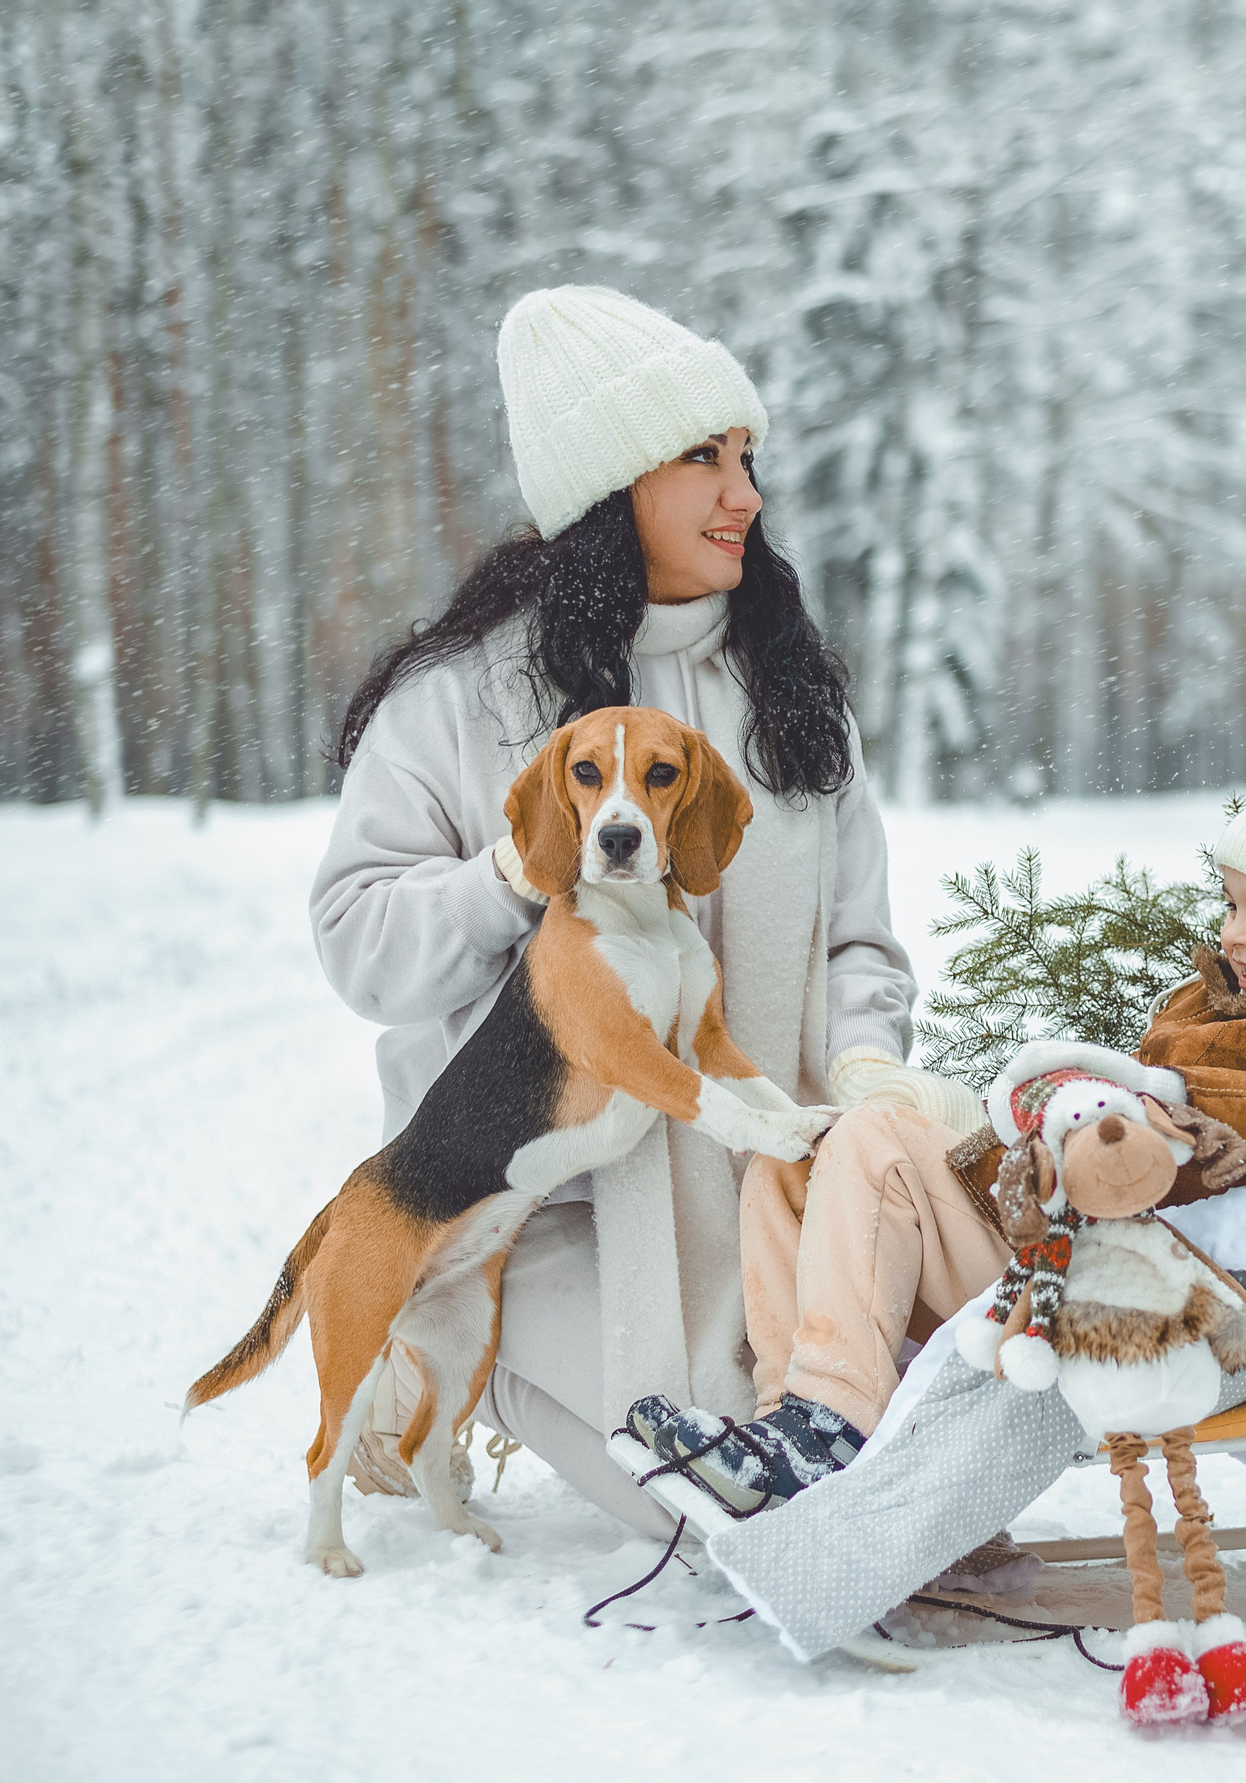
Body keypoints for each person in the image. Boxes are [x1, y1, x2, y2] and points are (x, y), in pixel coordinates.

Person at [309, 284, 980, 1539]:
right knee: (721, 1523)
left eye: (747, 458)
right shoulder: (460, 701)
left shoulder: (789, 696)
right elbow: (358, 942)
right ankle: (448, 1353)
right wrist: (516, 872)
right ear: (610, 487)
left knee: (904, 1494)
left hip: (773, 1201)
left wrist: (865, 1069)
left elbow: (857, 939)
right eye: (702, 458)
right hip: (548, 1217)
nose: (746, 495)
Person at [629, 702, 1246, 1512]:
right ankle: (794, 1421)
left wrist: (1173, 1102)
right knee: (793, 1161)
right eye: (1232, 904)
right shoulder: (1208, 1001)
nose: (1235, 931)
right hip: (1057, 1232)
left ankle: (829, 1428)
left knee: (875, 1139)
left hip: (1128, 1282)